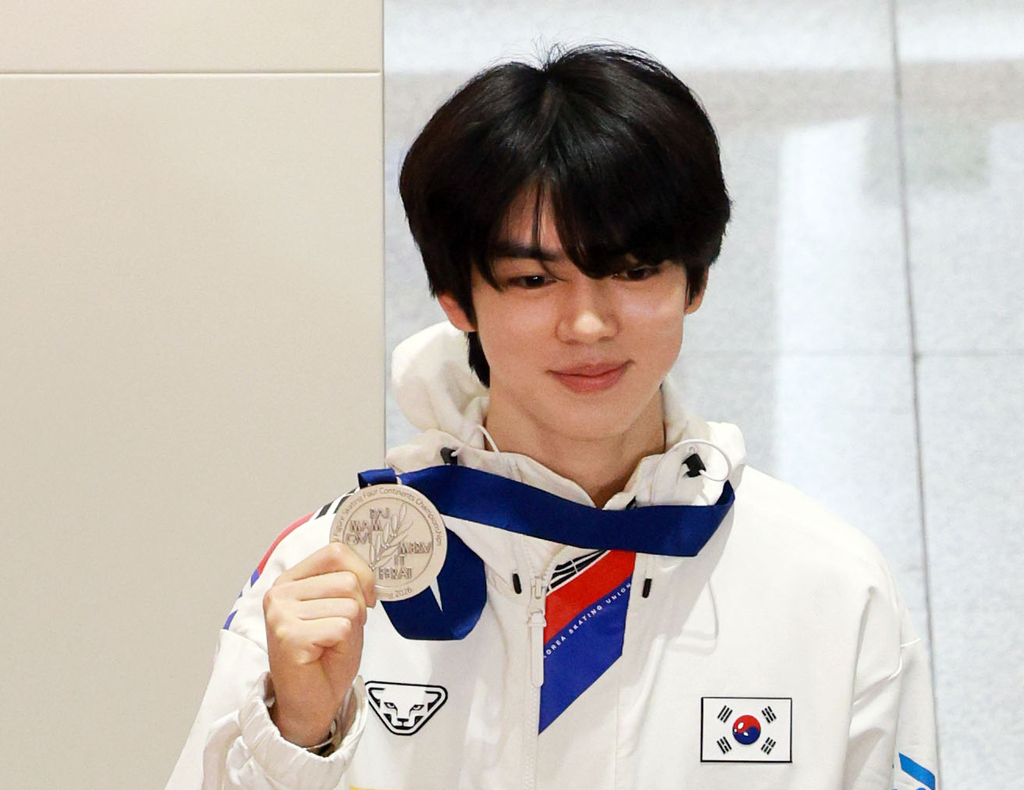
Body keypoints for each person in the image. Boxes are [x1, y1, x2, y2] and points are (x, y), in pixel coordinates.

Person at [166, 44, 939, 789]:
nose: (589, 323)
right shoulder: (327, 576)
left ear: (695, 282)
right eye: (535, 280)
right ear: (458, 300)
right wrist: (297, 736)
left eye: (635, 270)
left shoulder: (832, 590)